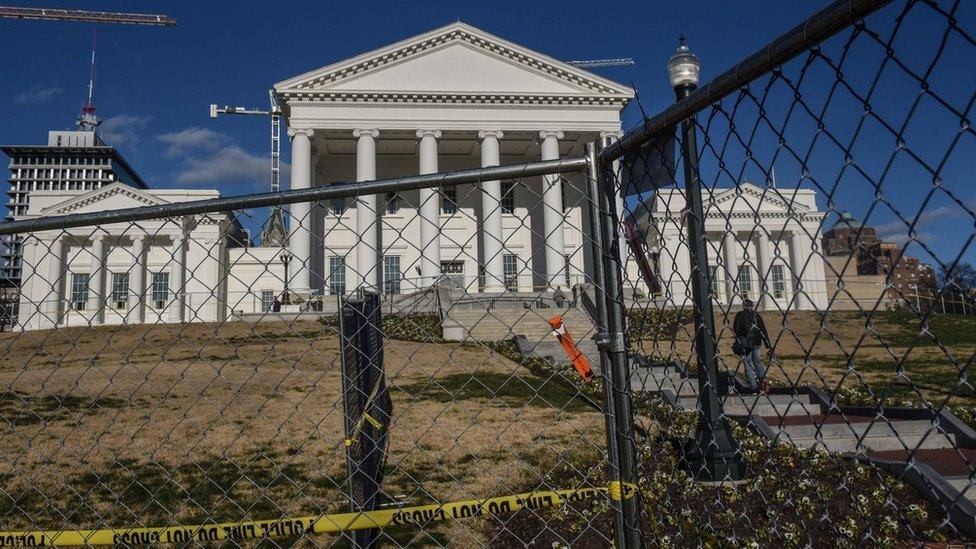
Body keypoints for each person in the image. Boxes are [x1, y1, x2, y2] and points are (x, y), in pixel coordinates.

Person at [732, 298, 773, 393]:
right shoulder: (757, 316)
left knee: (748, 363)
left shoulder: (740, 315)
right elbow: (763, 331)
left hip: (746, 343)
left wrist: (740, 338)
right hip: (757, 342)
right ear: (752, 306)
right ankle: (764, 381)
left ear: (743, 306)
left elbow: (736, 328)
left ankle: (752, 386)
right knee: (757, 362)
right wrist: (768, 346)